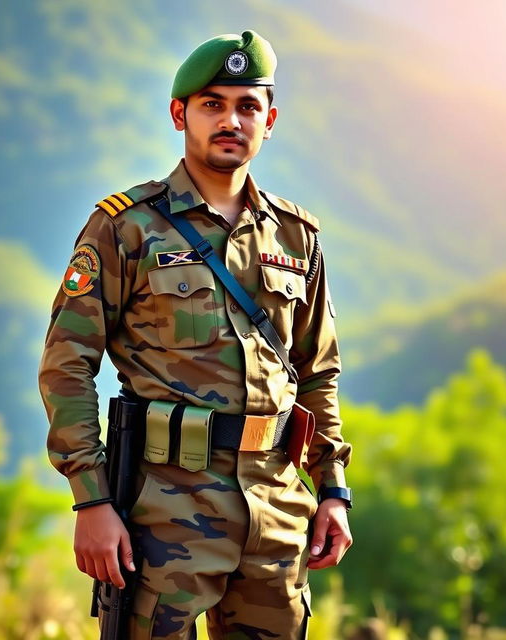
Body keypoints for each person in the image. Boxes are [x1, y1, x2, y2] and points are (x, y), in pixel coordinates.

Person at [39, 29, 352, 640]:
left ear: (271, 120)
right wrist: (92, 500)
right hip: (162, 514)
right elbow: (67, 365)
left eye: (247, 105)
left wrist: (334, 487)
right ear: (180, 114)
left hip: (277, 508)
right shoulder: (126, 228)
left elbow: (318, 372)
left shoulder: (296, 237)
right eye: (212, 104)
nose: (230, 119)